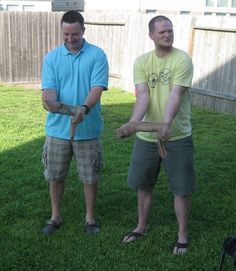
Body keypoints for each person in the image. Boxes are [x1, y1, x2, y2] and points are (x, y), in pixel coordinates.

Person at [117, 15, 196, 254]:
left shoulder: (182, 59)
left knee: (181, 188)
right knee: (143, 185)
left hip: (178, 135)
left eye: (170, 31)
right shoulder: (142, 62)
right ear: (151, 35)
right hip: (147, 138)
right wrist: (133, 123)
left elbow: (175, 95)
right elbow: (143, 96)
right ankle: (141, 226)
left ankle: (182, 235)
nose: (167, 35)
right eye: (162, 32)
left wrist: (166, 123)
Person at [41, 10, 109, 235]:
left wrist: (84, 109)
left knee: (89, 177)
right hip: (57, 130)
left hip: (87, 128)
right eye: (66, 34)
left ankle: (90, 218)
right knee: (55, 175)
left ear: (84, 31)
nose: (70, 38)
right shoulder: (51, 57)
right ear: (62, 31)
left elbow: (97, 88)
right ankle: (55, 216)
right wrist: (49, 102)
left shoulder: (97, 55)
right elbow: (49, 93)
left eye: (75, 34)